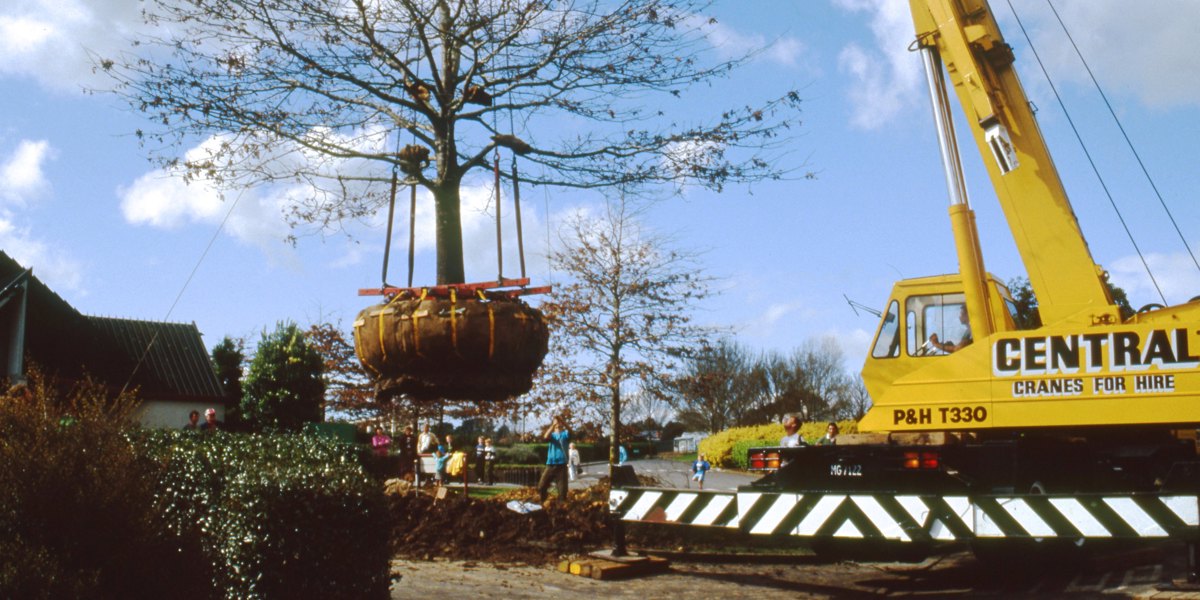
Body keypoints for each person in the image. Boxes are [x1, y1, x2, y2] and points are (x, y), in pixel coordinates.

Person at [537, 416, 570, 503]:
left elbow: (571, 432)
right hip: (550, 464)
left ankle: (561, 508)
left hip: (562, 465)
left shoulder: (565, 434)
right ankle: (543, 502)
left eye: (559, 423)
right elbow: (545, 436)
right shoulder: (552, 435)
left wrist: (564, 422)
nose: (558, 425)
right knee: (542, 486)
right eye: (556, 423)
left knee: (562, 491)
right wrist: (553, 425)